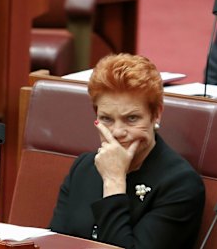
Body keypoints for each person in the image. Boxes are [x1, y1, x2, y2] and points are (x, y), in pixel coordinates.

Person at [49, 53, 206, 249]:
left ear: (156, 114)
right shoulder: (83, 168)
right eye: (106, 119)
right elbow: (55, 242)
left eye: (131, 119)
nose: (117, 132)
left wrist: (114, 181)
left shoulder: (180, 184)